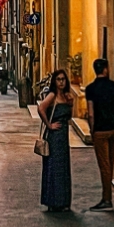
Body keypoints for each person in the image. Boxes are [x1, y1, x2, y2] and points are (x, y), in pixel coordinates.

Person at [84, 57, 114, 211]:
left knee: (104, 166)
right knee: (110, 163)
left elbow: (91, 113)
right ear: (106, 69)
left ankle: (106, 199)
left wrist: (92, 130)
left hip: (100, 129)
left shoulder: (91, 89)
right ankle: (107, 197)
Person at [38, 68, 75, 213]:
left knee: (63, 167)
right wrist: (49, 125)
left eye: (63, 79)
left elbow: (69, 117)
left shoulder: (67, 97)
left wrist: (71, 104)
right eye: (58, 79)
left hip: (63, 137)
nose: (61, 82)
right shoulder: (52, 95)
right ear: (54, 81)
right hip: (54, 136)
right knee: (54, 167)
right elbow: (41, 108)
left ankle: (63, 201)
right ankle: (53, 200)